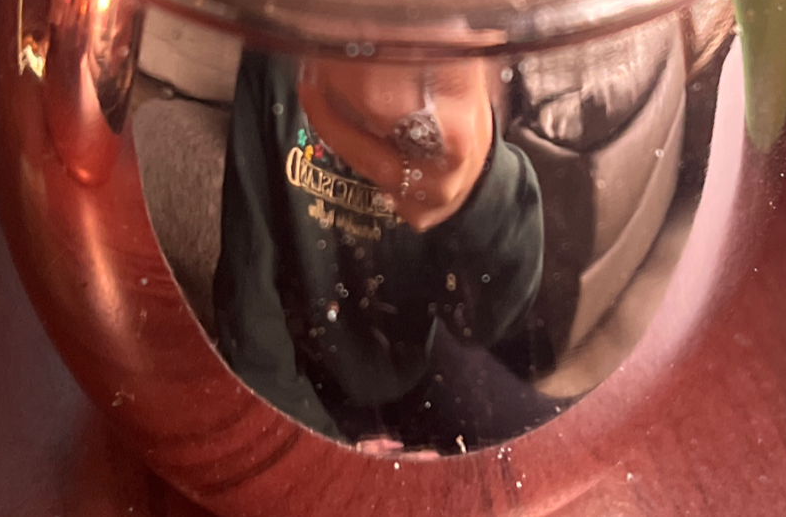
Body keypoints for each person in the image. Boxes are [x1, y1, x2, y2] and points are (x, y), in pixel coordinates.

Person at [212, 50, 547, 451]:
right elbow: (248, 310)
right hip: (303, 380)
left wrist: (482, 178)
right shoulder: (270, 59)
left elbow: (496, 318)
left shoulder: (462, 62)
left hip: (424, 361)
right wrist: (326, 448)